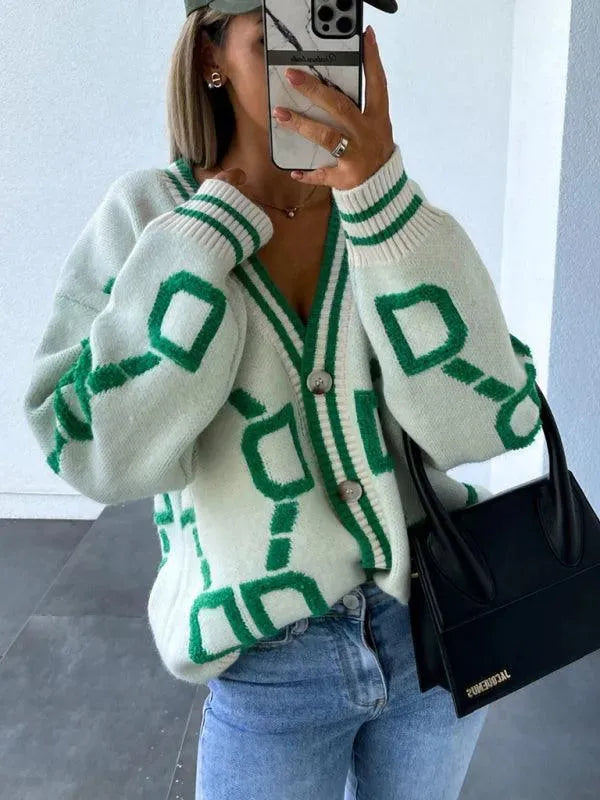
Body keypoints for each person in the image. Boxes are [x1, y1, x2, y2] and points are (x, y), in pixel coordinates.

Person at [23, 2, 543, 798]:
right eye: (275, 39)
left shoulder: (385, 211)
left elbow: (489, 421)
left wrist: (383, 202)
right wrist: (205, 238)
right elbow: (91, 448)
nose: (307, 69)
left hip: (435, 623)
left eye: (331, 31)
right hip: (269, 661)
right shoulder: (149, 215)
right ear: (211, 58)